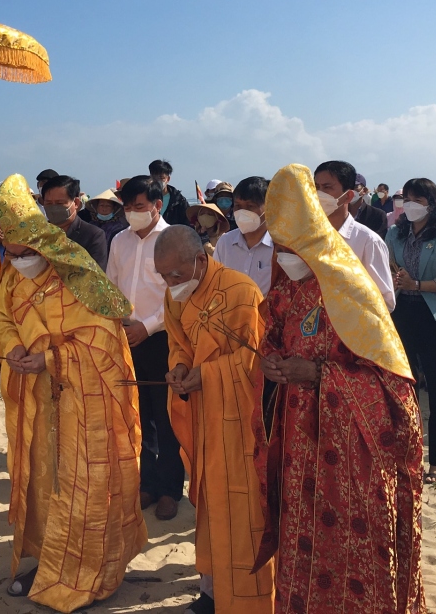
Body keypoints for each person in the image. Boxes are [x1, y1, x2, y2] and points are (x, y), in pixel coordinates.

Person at [254, 164, 424, 613]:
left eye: (294, 247)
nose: (285, 257)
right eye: (280, 247)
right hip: (297, 444)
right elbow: (272, 339)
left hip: (351, 452)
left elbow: (394, 387)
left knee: (355, 545)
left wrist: (319, 375)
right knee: (299, 539)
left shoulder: (351, 289)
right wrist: (270, 363)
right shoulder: (285, 293)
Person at [0, 174, 145, 609]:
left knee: (85, 485)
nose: (18, 261)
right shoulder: (14, 279)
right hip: (37, 400)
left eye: (25, 253)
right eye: (12, 253)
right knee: (42, 482)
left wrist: (52, 359)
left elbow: (103, 340)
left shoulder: (79, 278)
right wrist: (15, 348)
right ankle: (47, 562)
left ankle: (90, 573)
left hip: (84, 403)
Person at [157, 225, 273, 614]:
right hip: (207, 418)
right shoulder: (177, 295)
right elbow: (178, 342)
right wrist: (179, 367)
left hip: (241, 424)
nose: (171, 284)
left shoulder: (241, 293)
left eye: (176, 275)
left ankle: (250, 601)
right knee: (209, 505)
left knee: (244, 512)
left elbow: (255, 360)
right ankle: (211, 592)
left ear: (201, 261)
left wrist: (206, 374)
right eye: (163, 276)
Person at [106, 175, 183, 520]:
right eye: (127, 207)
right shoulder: (119, 240)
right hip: (125, 338)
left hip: (162, 338)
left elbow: (177, 295)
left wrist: (147, 326)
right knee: (137, 415)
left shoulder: (171, 241)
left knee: (166, 416)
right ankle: (146, 484)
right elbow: (110, 285)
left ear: (156, 205)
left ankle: (170, 489)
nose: (131, 213)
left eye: (139, 207)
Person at [384, 178, 436, 483]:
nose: (411, 205)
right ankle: (405, 453)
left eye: (418, 199)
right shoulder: (395, 232)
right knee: (404, 385)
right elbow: (387, 266)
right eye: (408, 199)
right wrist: (394, 277)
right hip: (401, 312)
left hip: (432, 316)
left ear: (431, 203)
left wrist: (416, 284)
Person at [312, 160, 396, 310]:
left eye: (327, 187)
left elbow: (385, 301)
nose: (319, 194)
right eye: (316, 187)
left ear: (348, 196)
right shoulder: (309, 237)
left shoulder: (368, 241)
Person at [213, 176, 274, 295]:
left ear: (269, 207)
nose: (242, 212)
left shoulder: (280, 247)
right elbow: (215, 283)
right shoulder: (225, 243)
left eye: (250, 206)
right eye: (238, 206)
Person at [40, 174, 108, 269]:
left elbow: (97, 275)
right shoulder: (38, 234)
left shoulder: (93, 235)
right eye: (49, 203)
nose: (54, 207)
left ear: (76, 203)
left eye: (59, 203)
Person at [150, 159, 191, 226]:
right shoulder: (145, 197)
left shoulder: (179, 200)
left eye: (161, 178)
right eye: (154, 177)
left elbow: (187, 224)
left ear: (168, 179)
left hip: (171, 235)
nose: (157, 181)